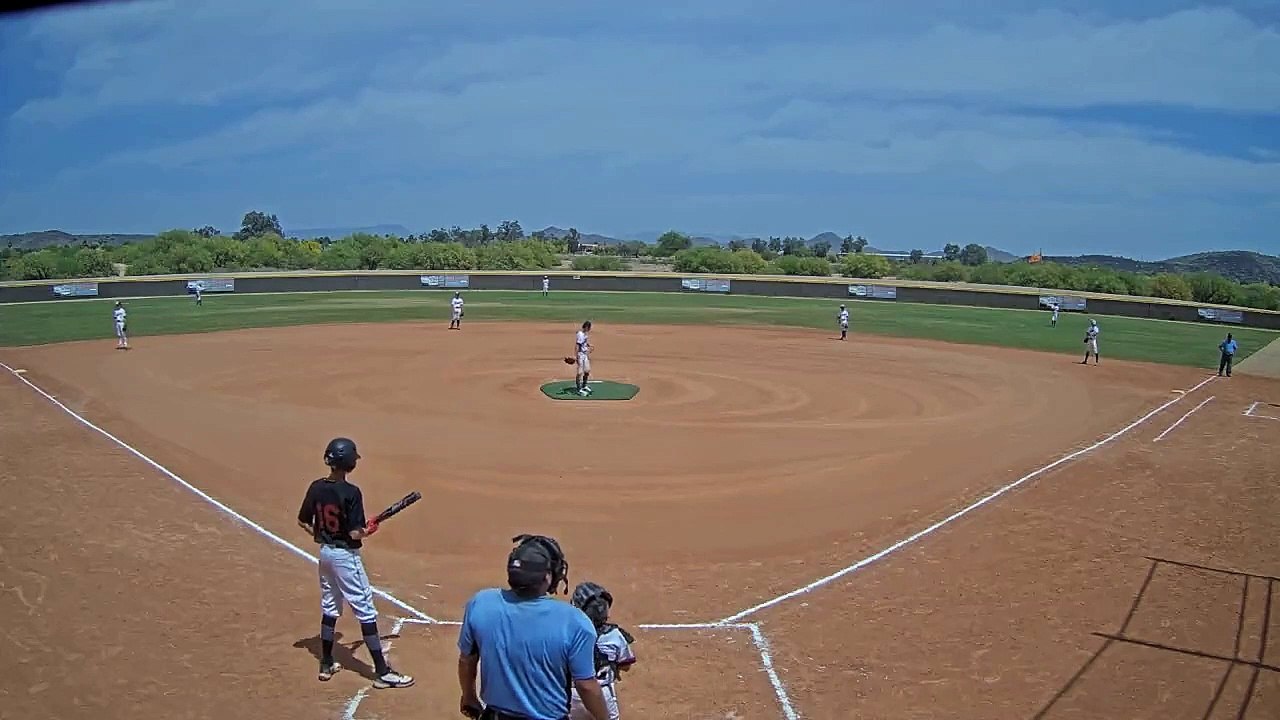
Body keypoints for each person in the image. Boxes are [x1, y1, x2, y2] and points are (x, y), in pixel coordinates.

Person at [296, 437, 414, 690]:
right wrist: (368, 530)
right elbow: (354, 533)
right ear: (350, 463)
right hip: (345, 558)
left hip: (325, 555)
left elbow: (303, 521)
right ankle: (382, 673)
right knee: (366, 610)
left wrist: (322, 536)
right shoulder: (351, 492)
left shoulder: (316, 487)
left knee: (330, 606)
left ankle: (326, 663)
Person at [457, 534, 610, 720]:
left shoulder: (481, 603)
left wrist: (469, 696)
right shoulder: (574, 621)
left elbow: (467, 659)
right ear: (547, 577)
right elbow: (586, 686)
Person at [569, 582, 637, 720]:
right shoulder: (615, 635)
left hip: (573, 694)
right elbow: (626, 665)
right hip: (602, 694)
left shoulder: (567, 633)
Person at [575, 321, 593, 396]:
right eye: (589, 327)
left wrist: (589, 345)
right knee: (579, 373)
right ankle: (578, 389)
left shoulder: (585, 334)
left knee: (587, 371)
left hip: (585, 355)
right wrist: (576, 356)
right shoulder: (580, 334)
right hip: (580, 355)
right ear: (586, 327)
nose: (589, 329)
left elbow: (584, 342)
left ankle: (584, 386)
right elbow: (577, 345)